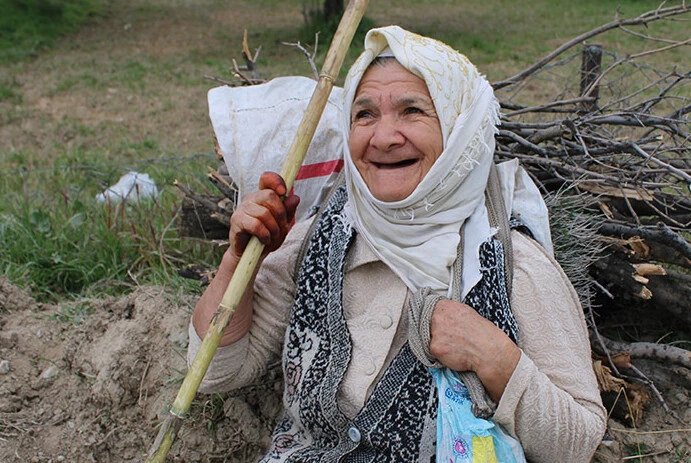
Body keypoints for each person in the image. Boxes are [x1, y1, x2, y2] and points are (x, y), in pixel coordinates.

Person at [189, 25, 606, 462]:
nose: (384, 136)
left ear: (458, 130)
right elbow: (217, 371)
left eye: (412, 111)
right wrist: (239, 261)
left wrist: (496, 358)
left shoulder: (511, 264)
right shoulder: (318, 238)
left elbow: (576, 443)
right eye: (365, 114)